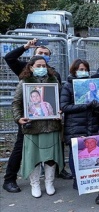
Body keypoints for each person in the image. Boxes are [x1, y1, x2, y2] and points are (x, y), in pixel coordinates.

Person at [3, 40, 73, 192]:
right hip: (30, 122)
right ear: (32, 61)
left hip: (49, 121)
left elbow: (58, 98)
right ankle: (9, 179)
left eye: (46, 55)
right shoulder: (24, 73)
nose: (43, 57)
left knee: (52, 149)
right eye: (40, 54)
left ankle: (56, 174)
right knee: (22, 148)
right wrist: (25, 47)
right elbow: (9, 58)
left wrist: (59, 110)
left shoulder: (54, 75)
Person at [12, 56, 63, 198]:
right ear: (31, 67)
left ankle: (49, 183)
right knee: (33, 156)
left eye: (44, 65)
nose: (42, 68)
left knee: (50, 157)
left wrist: (60, 111)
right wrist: (18, 118)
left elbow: (61, 101)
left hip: (52, 127)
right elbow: (16, 103)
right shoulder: (24, 83)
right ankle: (35, 184)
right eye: (38, 65)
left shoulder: (54, 82)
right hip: (32, 128)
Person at [61, 59, 99, 189]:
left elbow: (98, 109)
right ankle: (76, 179)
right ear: (74, 71)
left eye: (85, 69)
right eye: (80, 69)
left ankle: (89, 178)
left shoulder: (93, 85)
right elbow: (65, 107)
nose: (83, 72)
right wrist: (85, 106)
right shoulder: (68, 86)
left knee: (90, 152)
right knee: (75, 153)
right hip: (75, 125)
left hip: (91, 124)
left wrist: (96, 107)